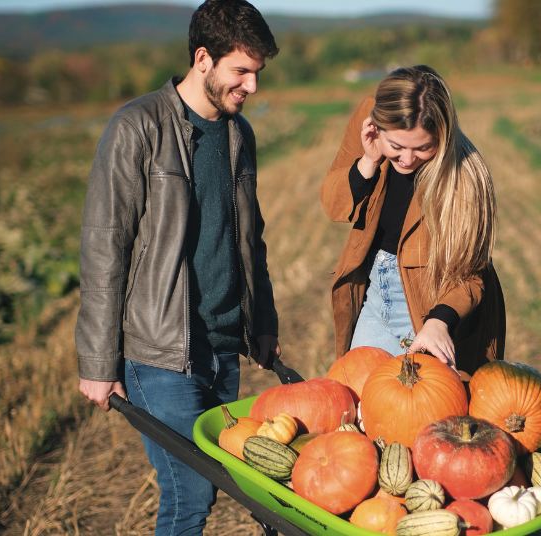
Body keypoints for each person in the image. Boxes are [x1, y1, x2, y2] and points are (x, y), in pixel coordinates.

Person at [75, 1, 280, 533]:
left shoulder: (240, 136)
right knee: (189, 494)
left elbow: (249, 241)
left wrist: (262, 323)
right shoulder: (137, 128)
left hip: (221, 347)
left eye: (257, 73)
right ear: (203, 58)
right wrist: (98, 363)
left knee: (218, 484)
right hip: (160, 351)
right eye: (242, 71)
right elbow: (104, 248)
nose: (252, 86)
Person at [320, 65, 506, 379]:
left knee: (422, 414)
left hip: (429, 302)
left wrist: (438, 322)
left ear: (443, 136)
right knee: (360, 399)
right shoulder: (369, 116)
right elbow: (333, 205)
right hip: (375, 292)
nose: (407, 159)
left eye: (423, 148)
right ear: (377, 129)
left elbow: (470, 275)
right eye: (397, 147)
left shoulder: (466, 178)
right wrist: (368, 161)